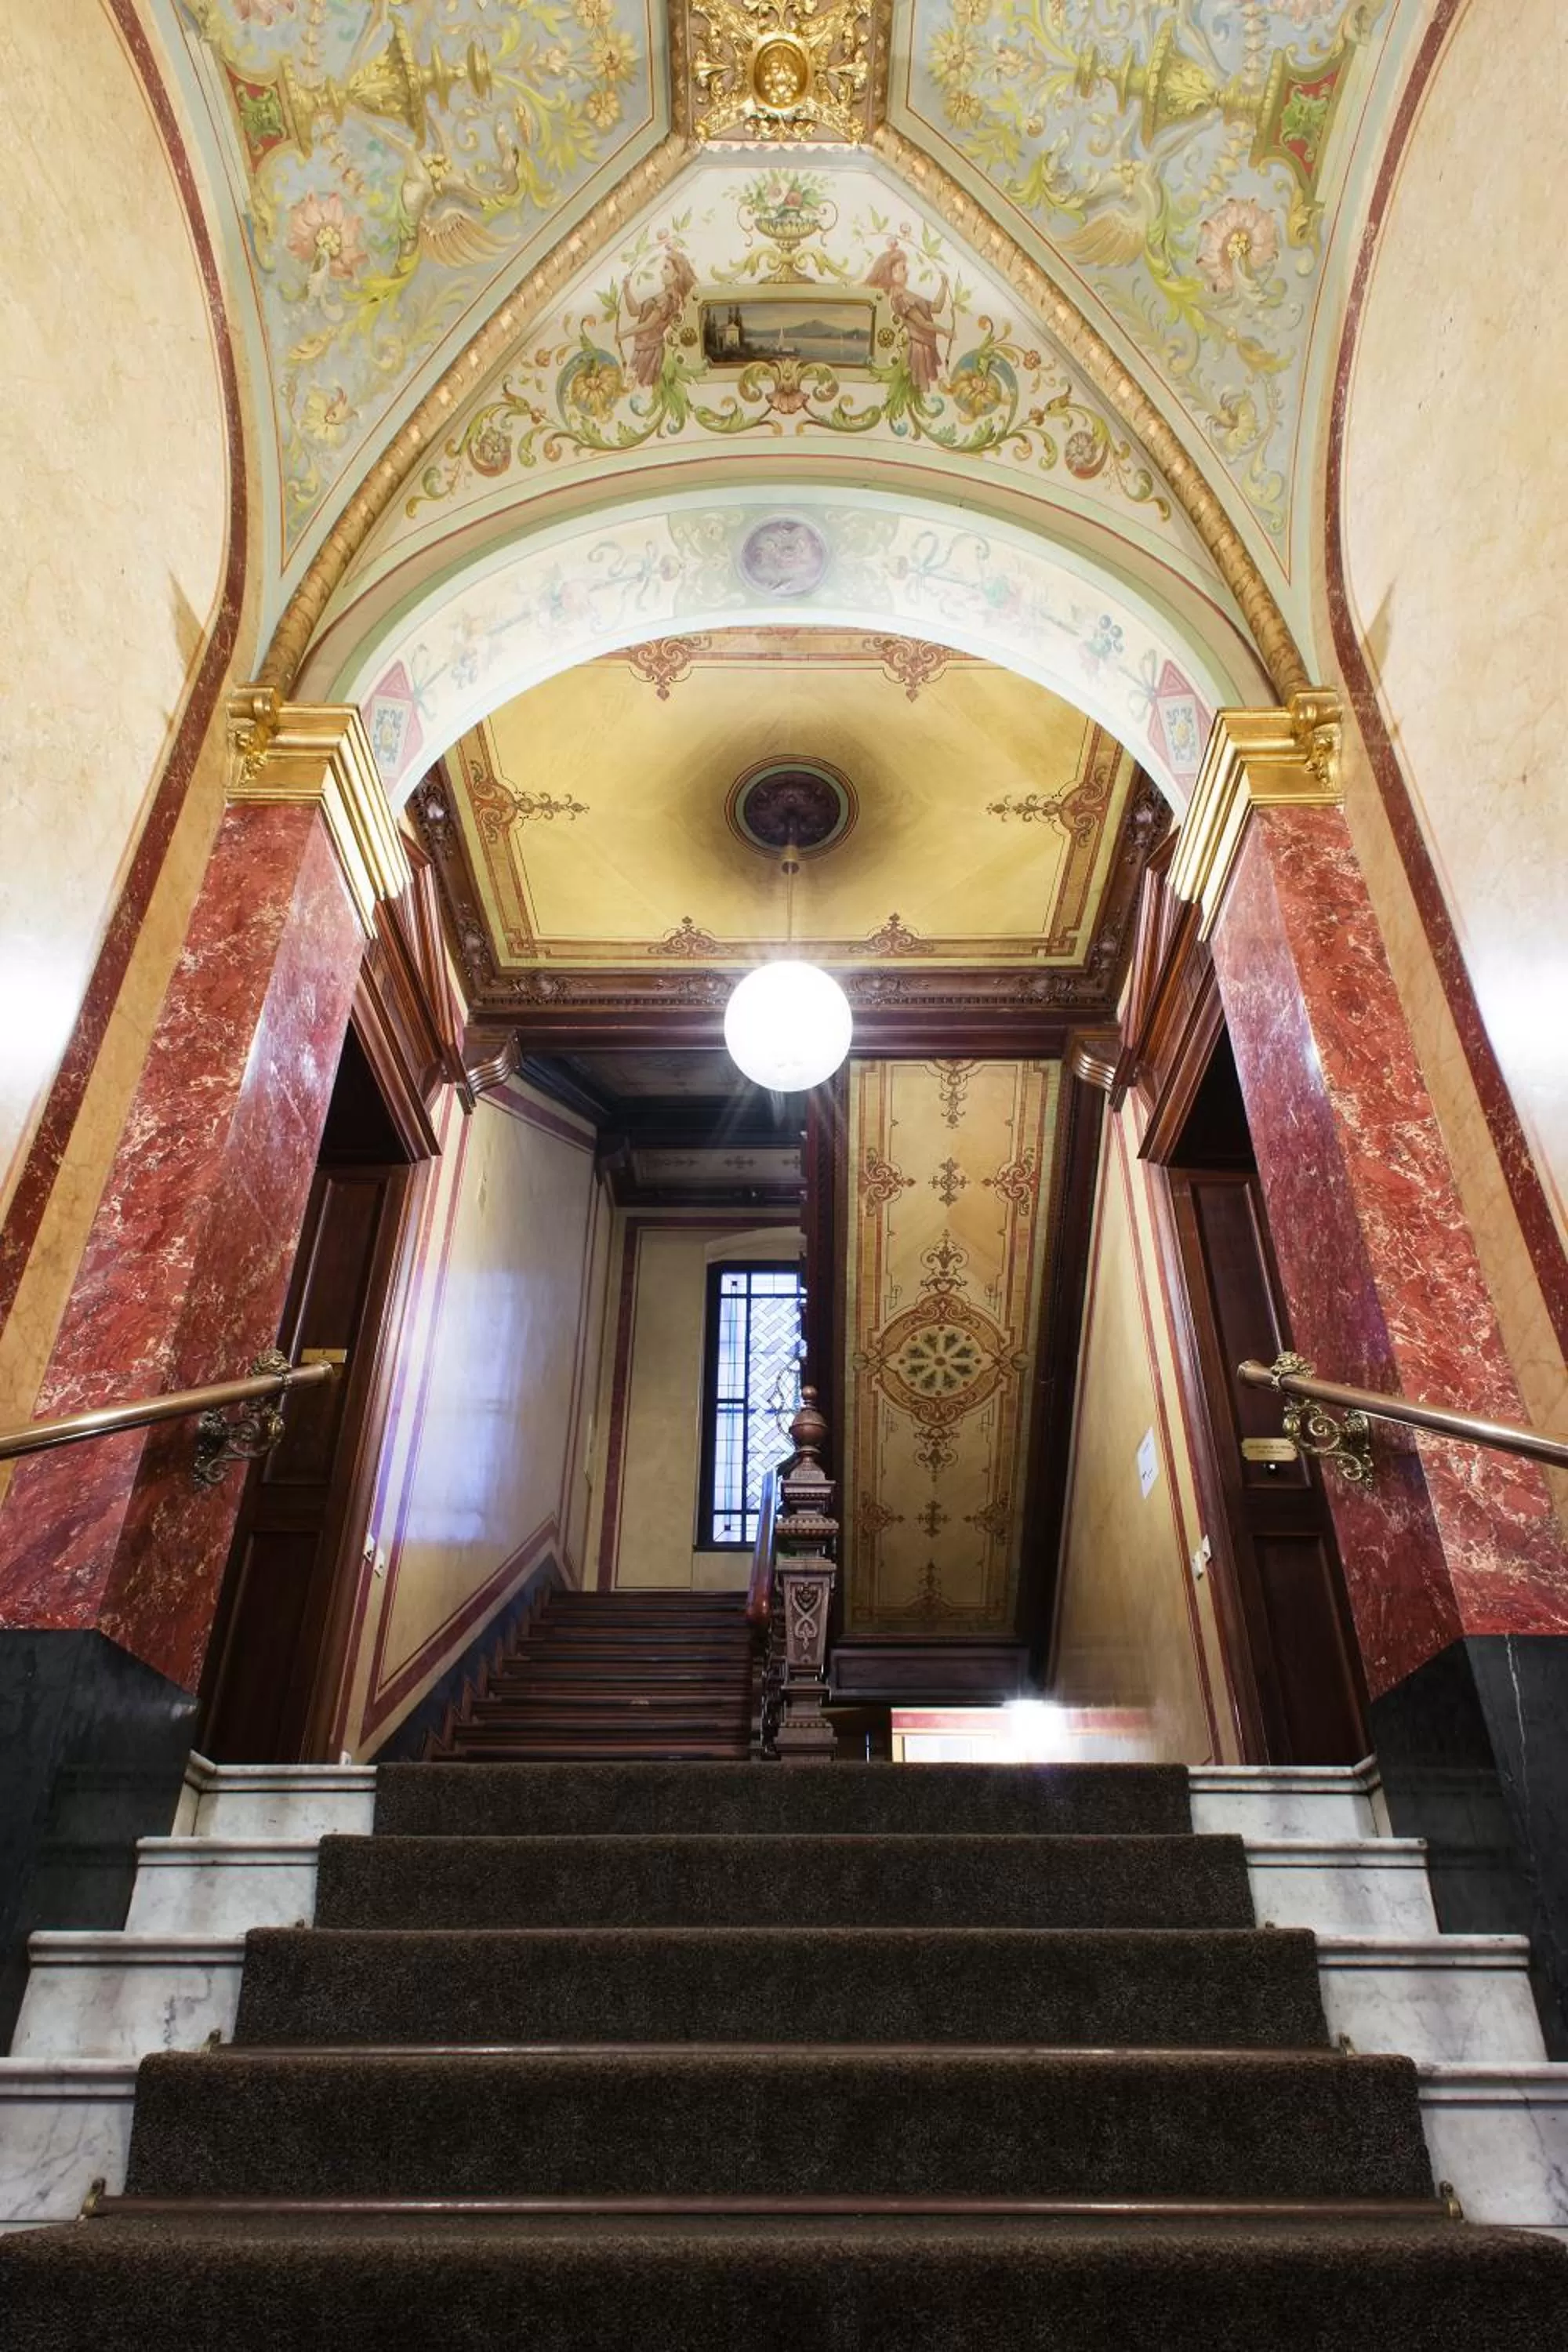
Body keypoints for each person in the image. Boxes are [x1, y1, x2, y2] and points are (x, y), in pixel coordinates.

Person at [864, 241, 950, 394]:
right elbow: (923, 323)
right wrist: (944, 331)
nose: (907, 272)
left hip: (923, 345)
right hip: (916, 349)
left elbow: (937, 307)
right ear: (891, 273)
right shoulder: (900, 297)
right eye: (903, 268)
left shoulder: (908, 295)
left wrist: (944, 286)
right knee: (914, 390)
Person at [622, 246, 698, 387]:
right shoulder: (661, 296)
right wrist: (626, 289)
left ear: (676, 275)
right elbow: (634, 311)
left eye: (666, 268)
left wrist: (623, 334)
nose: (661, 272)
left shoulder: (668, 300)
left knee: (639, 387)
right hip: (642, 349)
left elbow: (648, 325)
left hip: (649, 353)